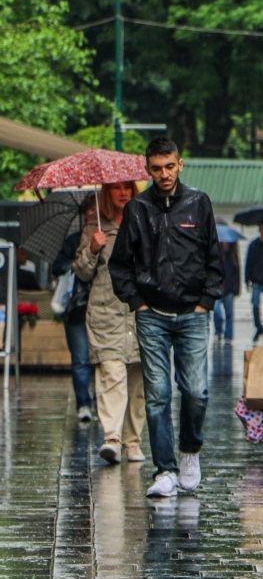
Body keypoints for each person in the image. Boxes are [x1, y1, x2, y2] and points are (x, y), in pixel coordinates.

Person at [109, 137, 223, 499]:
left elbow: (215, 259)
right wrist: (137, 302)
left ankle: (189, 451)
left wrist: (206, 301)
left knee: (196, 392)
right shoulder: (138, 208)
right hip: (152, 314)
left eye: (169, 166)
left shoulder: (198, 203)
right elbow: (120, 263)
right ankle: (164, 469)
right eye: (156, 168)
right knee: (157, 394)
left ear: (180, 163)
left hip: (192, 312)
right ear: (148, 169)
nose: (164, 174)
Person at [73, 182, 146, 465]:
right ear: (106, 193)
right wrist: (92, 249)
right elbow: (82, 272)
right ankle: (112, 438)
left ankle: (133, 441)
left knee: (138, 381)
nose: (122, 192)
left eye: (127, 187)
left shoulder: (145, 223)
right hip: (106, 313)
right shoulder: (95, 227)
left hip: (138, 312)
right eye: (116, 188)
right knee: (111, 374)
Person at [53, 195, 97, 422]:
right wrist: (74, 264)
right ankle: (83, 404)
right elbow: (56, 266)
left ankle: (103, 404)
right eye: (90, 211)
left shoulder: (108, 237)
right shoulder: (73, 241)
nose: (94, 215)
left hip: (101, 308)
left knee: (102, 359)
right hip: (77, 307)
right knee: (80, 358)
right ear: (83, 214)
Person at [214, 239, 240, 342]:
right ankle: (218, 331)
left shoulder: (233, 256)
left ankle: (228, 336)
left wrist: (237, 289)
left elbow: (237, 273)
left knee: (229, 314)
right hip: (217, 288)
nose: (226, 243)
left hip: (229, 289)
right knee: (217, 311)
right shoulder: (217, 255)